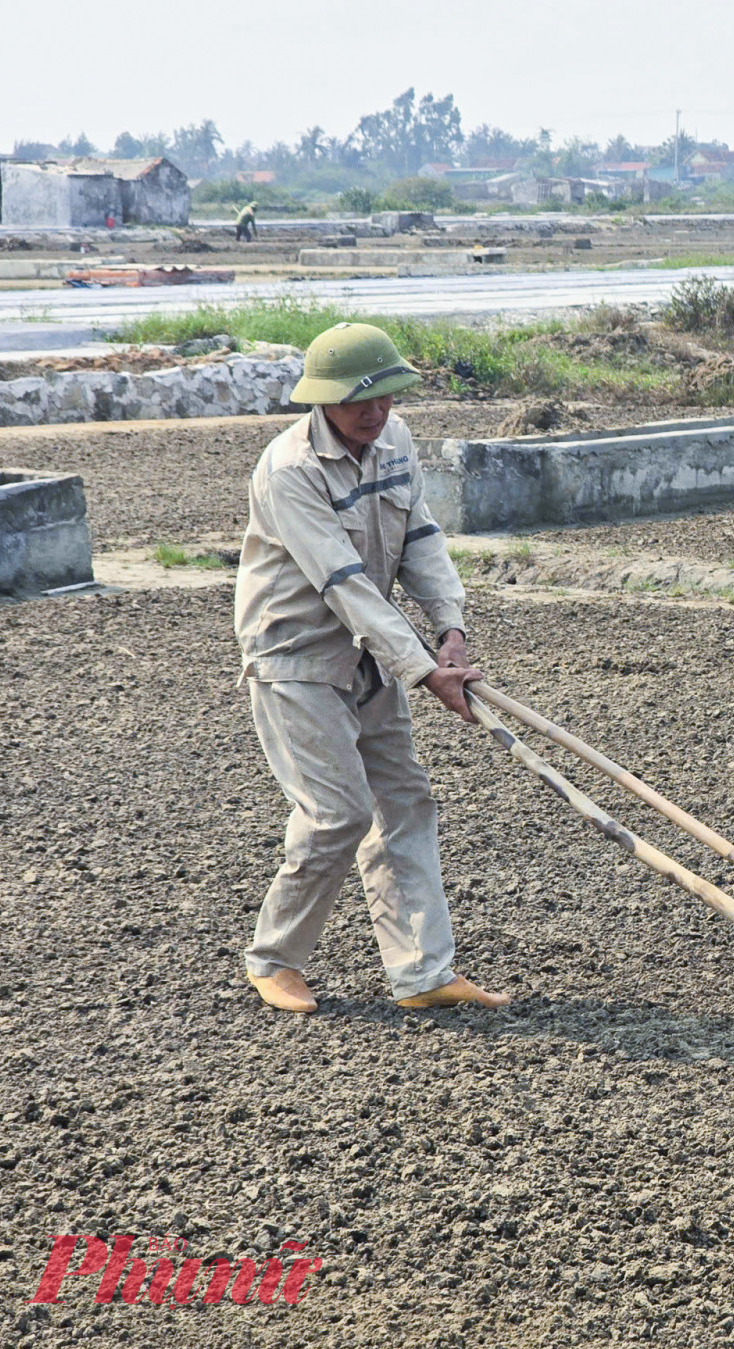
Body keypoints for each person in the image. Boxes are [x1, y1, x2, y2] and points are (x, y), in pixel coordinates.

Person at [234, 322, 508, 1014]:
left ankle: (422, 973)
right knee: (338, 813)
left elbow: (420, 537)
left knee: (404, 800)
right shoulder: (290, 470)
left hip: (370, 652)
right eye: (361, 401)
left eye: (386, 397)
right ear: (323, 399)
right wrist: (424, 670)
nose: (376, 412)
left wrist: (450, 629)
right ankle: (274, 959)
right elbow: (343, 582)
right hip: (295, 656)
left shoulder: (396, 440)